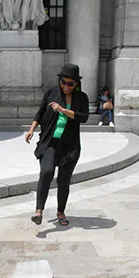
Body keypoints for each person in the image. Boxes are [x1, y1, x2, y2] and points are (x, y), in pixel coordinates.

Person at [25, 63, 89, 227]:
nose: (66, 86)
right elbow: (39, 113)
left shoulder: (82, 98)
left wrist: (63, 110)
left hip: (70, 145)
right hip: (50, 142)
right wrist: (31, 130)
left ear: (76, 84)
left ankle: (61, 212)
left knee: (63, 180)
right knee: (46, 172)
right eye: (63, 82)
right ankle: (38, 211)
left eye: (70, 83)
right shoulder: (51, 93)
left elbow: (83, 117)